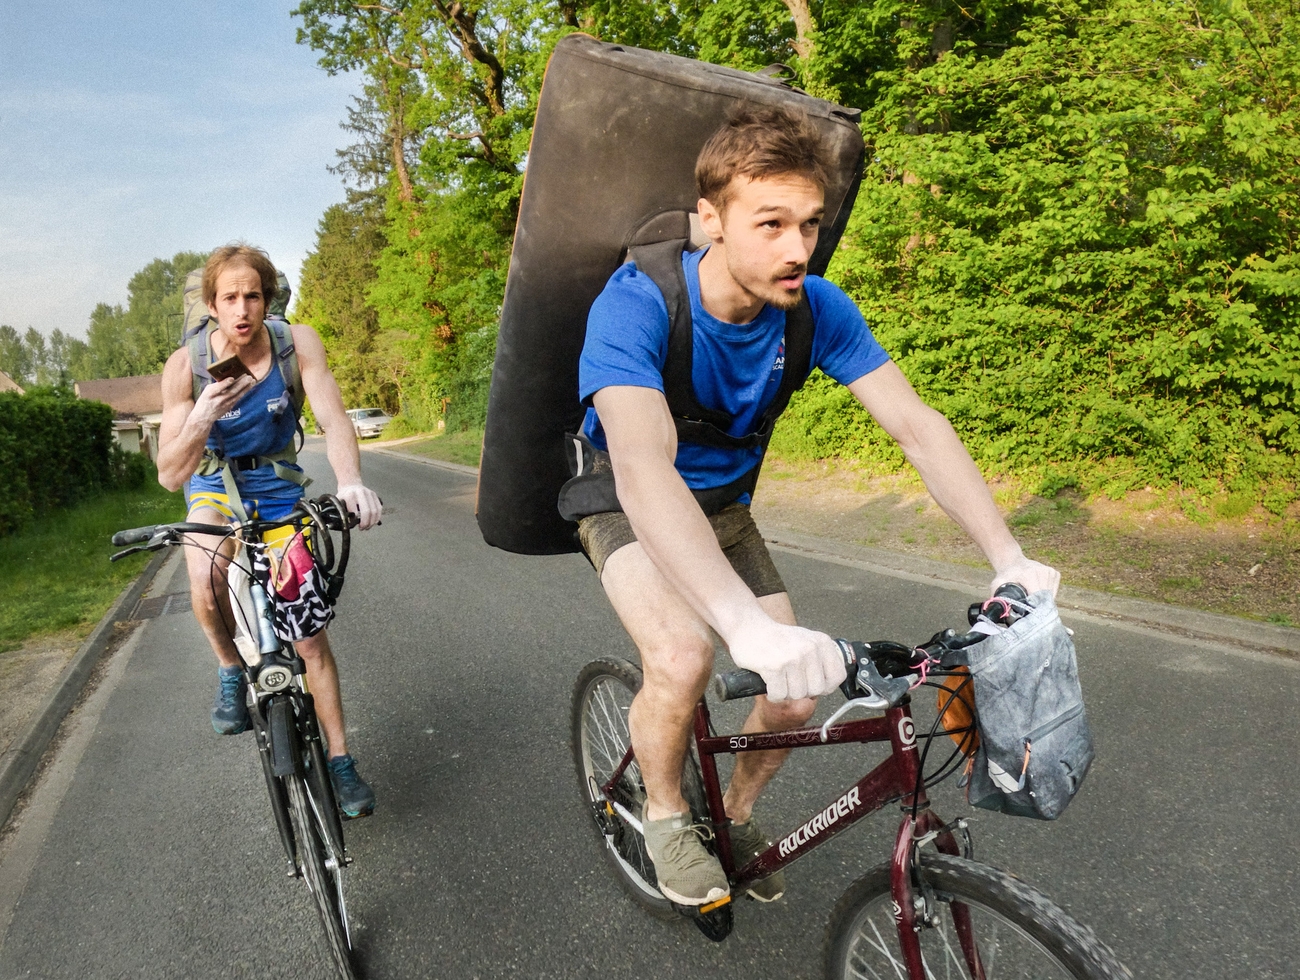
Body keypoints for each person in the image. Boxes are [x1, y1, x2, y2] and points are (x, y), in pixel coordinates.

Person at [573, 107, 1060, 907]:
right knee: (685, 658)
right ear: (710, 222)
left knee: (795, 695)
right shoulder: (636, 304)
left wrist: (1009, 559)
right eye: (769, 223)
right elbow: (641, 464)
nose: (797, 248)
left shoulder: (816, 308)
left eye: (809, 224)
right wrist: (743, 625)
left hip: (723, 503)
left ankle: (731, 815)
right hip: (623, 495)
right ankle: (664, 813)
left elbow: (918, 428)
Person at [157, 244, 384, 819]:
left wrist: (352, 481)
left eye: (252, 295)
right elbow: (168, 474)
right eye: (229, 297)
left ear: (266, 298)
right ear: (211, 304)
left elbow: (333, 418)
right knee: (205, 571)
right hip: (211, 488)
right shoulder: (185, 366)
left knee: (308, 638)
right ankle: (231, 669)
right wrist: (204, 413)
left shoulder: (295, 343)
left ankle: (340, 762)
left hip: (279, 489)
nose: (242, 309)